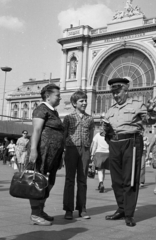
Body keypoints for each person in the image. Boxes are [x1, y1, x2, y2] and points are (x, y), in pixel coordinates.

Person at [103, 78, 156, 227]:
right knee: (116, 181)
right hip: (114, 144)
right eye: (113, 93)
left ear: (126, 90)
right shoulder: (110, 110)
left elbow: (150, 121)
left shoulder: (138, 105)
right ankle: (121, 209)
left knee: (130, 179)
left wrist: (151, 110)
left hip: (131, 143)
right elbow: (105, 129)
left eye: (118, 92)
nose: (115, 95)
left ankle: (129, 214)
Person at [26, 83, 64, 226]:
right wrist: (34, 150)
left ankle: (40, 210)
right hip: (42, 152)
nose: (60, 98)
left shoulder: (54, 111)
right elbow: (36, 131)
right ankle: (35, 214)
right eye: (57, 95)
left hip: (53, 155)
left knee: (48, 182)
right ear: (48, 96)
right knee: (37, 183)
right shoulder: (40, 109)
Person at [63, 91, 94, 220]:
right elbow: (64, 135)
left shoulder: (90, 118)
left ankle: (82, 208)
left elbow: (91, 136)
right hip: (71, 149)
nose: (85, 103)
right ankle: (68, 210)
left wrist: (88, 150)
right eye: (81, 101)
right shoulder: (68, 117)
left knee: (82, 180)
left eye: (85, 100)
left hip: (85, 150)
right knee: (70, 180)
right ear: (74, 103)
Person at [91, 124, 109, 193]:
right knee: (103, 170)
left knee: (99, 170)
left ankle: (101, 183)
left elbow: (94, 146)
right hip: (107, 154)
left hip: (99, 154)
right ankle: (100, 184)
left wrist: (92, 154)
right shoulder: (108, 136)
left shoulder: (97, 135)